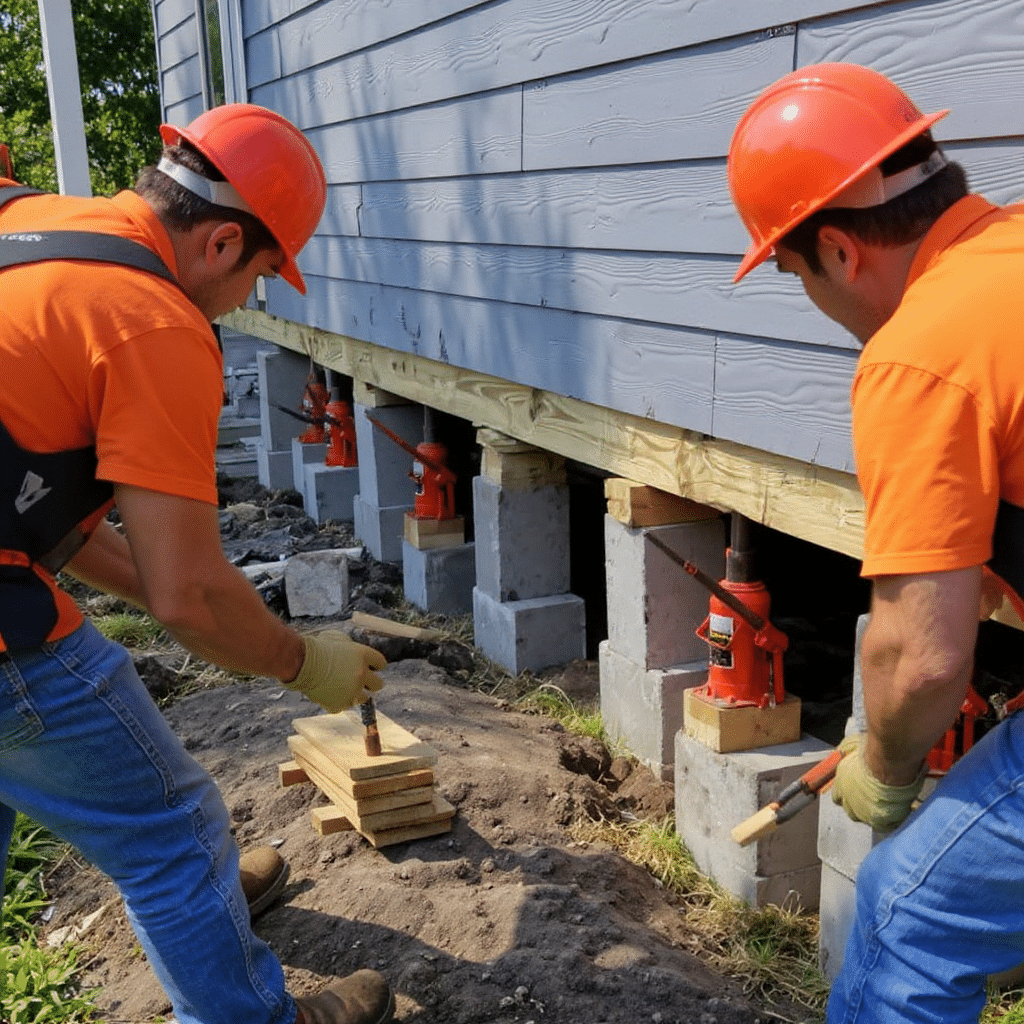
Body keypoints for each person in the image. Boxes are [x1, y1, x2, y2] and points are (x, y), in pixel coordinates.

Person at [0, 105, 393, 1024]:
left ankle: (202, 918)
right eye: (260, 275)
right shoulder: (154, 324)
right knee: (174, 831)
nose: (250, 299)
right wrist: (303, 661)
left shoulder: (36, 229)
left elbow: (66, 533)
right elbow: (189, 590)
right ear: (221, 242)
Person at [728, 62, 1024, 1023]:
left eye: (794, 271)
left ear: (839, 253)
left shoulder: (921, 349)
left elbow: (923, 662)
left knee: (909, 908)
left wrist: (887, 764)